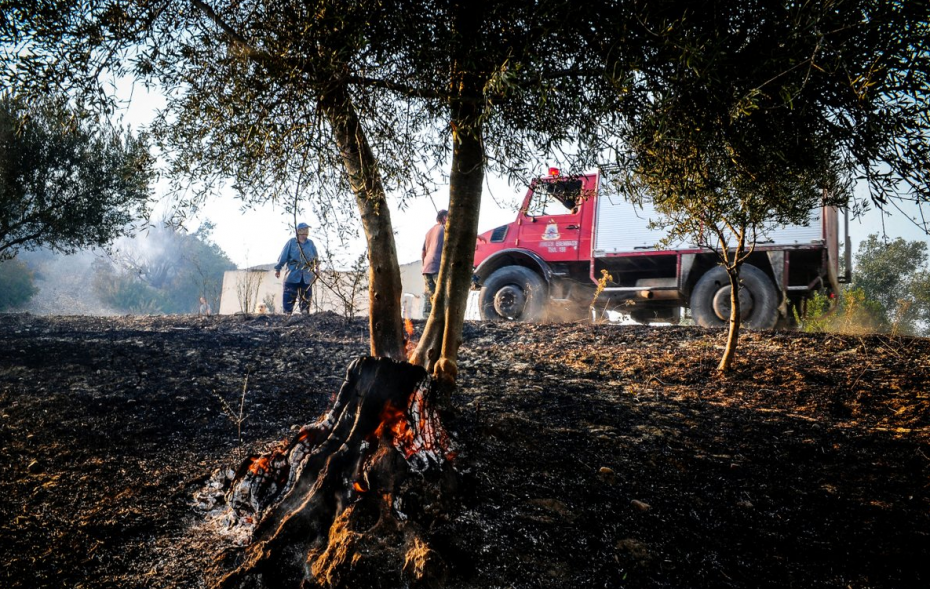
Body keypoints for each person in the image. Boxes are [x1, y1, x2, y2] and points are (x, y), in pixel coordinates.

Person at [274, 222, 318, 314]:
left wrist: (317, 270)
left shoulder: (310, 244)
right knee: (288, 298)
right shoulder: (291, 242)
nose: (305, 232)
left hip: (306, 276)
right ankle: (287, 315)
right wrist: (278, 269)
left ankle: (304, 316)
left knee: (306, 300)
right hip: (292, 275)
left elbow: (316, 258)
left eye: (307, 230)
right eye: (303, 230)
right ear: (298, 231)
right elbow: (283, 257)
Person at [421, 209, 447, 317]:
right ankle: (442, 319)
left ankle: (426, 319)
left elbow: (423, 252)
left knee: (429, 296)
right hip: (437, 266)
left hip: (427, 267)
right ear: (444, 218)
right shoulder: (445, 229)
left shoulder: (429, 232)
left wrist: (424, 266)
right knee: (443, 294)